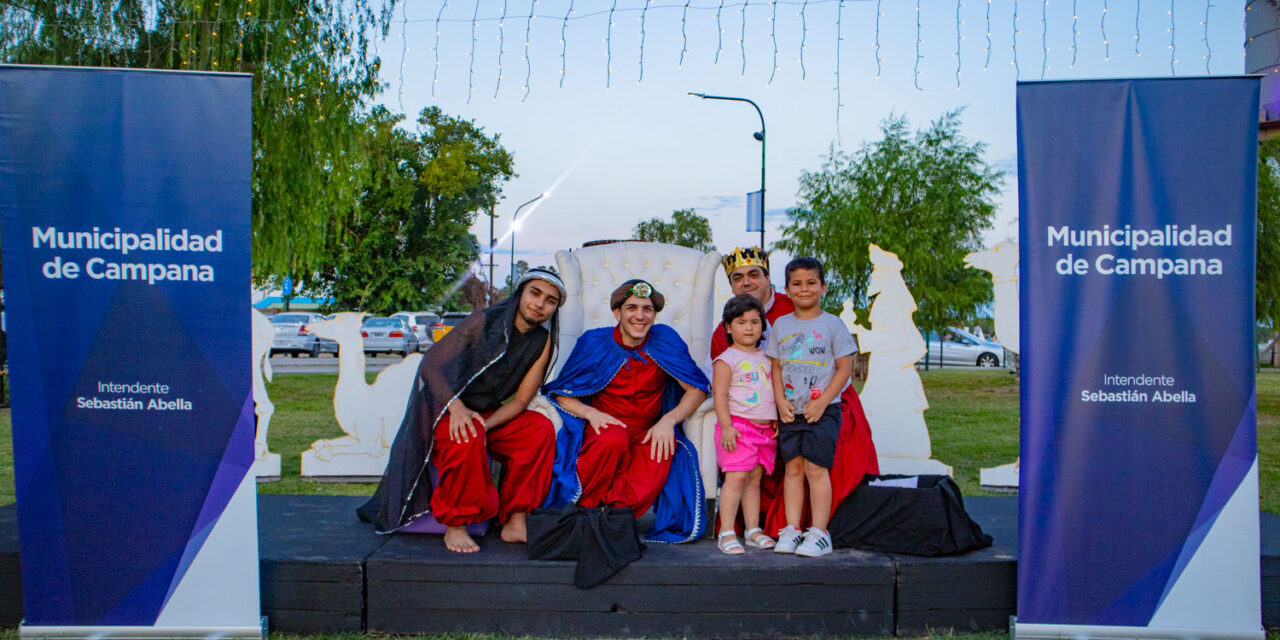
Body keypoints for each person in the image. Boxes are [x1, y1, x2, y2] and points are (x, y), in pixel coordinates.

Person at [356, 269, 567, 553]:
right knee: (466, 434)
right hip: (445, 406)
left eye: (550, 300)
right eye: (535, 293)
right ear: (521, 293)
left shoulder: (544, 343)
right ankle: (456, 524)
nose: (540, 304)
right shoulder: (483, 321)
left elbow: (519, 402)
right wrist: (457, 408)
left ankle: (516, 520)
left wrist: (485, 424)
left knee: (539, 428)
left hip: (486, 415)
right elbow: (430, 365)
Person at [544, 279, 711, 543]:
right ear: (617, 313)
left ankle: (613, 519)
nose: (640, 316)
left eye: (647, 309)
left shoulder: (665, 338)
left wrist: (669, 421)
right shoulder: (593, 342)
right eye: (632, 307)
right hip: (604, 428)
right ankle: (586, 509)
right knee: (612, 437)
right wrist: (592, 415)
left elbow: (697, 388)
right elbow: (561, 393)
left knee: (662, 454)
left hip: (649, 429)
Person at [767, 257, 856, 558]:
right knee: (793, 468)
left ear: (823, 287)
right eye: (797, 284)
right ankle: (793, 529)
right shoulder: (780, 325)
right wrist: (780, 401)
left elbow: (845, 368)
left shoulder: (833, 324)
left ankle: (819, 532)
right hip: (791, 410)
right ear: (787, 290)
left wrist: (822, 401)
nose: (804, 289)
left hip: (823, 409)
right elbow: (776, 368)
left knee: (816, 468)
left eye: (811, 283)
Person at [711, 294, 778, 555]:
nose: (749, 328)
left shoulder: (769, 357)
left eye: (754, 321)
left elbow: (774, 389)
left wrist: (776, 419)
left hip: (765, 431)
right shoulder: (726, 360)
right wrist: (727, 426)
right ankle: (727, 530)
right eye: (741, 322)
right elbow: (720, 396)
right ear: (728, 327)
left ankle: (752, 530)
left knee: (754, 480)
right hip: (738, 428)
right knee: (736, 478)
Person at [710, 247, 795, 360]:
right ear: (731, 286)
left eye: (753, 275)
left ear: (767, 278)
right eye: (738, 279)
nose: (746, 283)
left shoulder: (794, 309)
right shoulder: (723, 332)